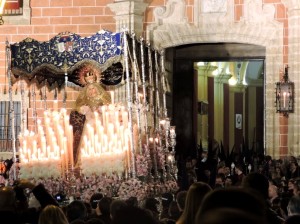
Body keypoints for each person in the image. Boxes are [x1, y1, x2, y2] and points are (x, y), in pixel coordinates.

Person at [70, 65, 111, 165]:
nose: (92, 91)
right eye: (90, 90)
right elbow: (78, 107)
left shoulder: (103, 98)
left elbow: (108, 107)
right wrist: (84, 109)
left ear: (97, 89)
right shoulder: (84, 99)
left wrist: (103, 109)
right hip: (89, 124)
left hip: (101, 123)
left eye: (94, 89)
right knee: (88, 142)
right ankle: (87, 163)